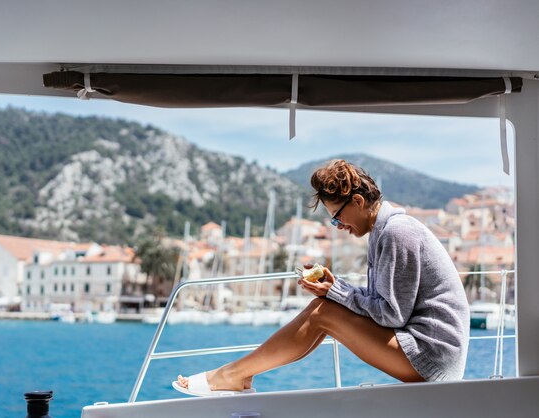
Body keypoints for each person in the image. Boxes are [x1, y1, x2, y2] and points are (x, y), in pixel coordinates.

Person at [174, 159, 470, 396]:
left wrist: (336, 292)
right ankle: (237, 374)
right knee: (325, 309)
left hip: (431, 358)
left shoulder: (397, 232)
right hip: (421, 348)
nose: (337, 225)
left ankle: (233, 375)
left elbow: (391, 315)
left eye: (336, 215)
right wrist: (334, 287)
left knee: (323, 312)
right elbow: (382, 306)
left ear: (357, 201)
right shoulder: (383, 232)